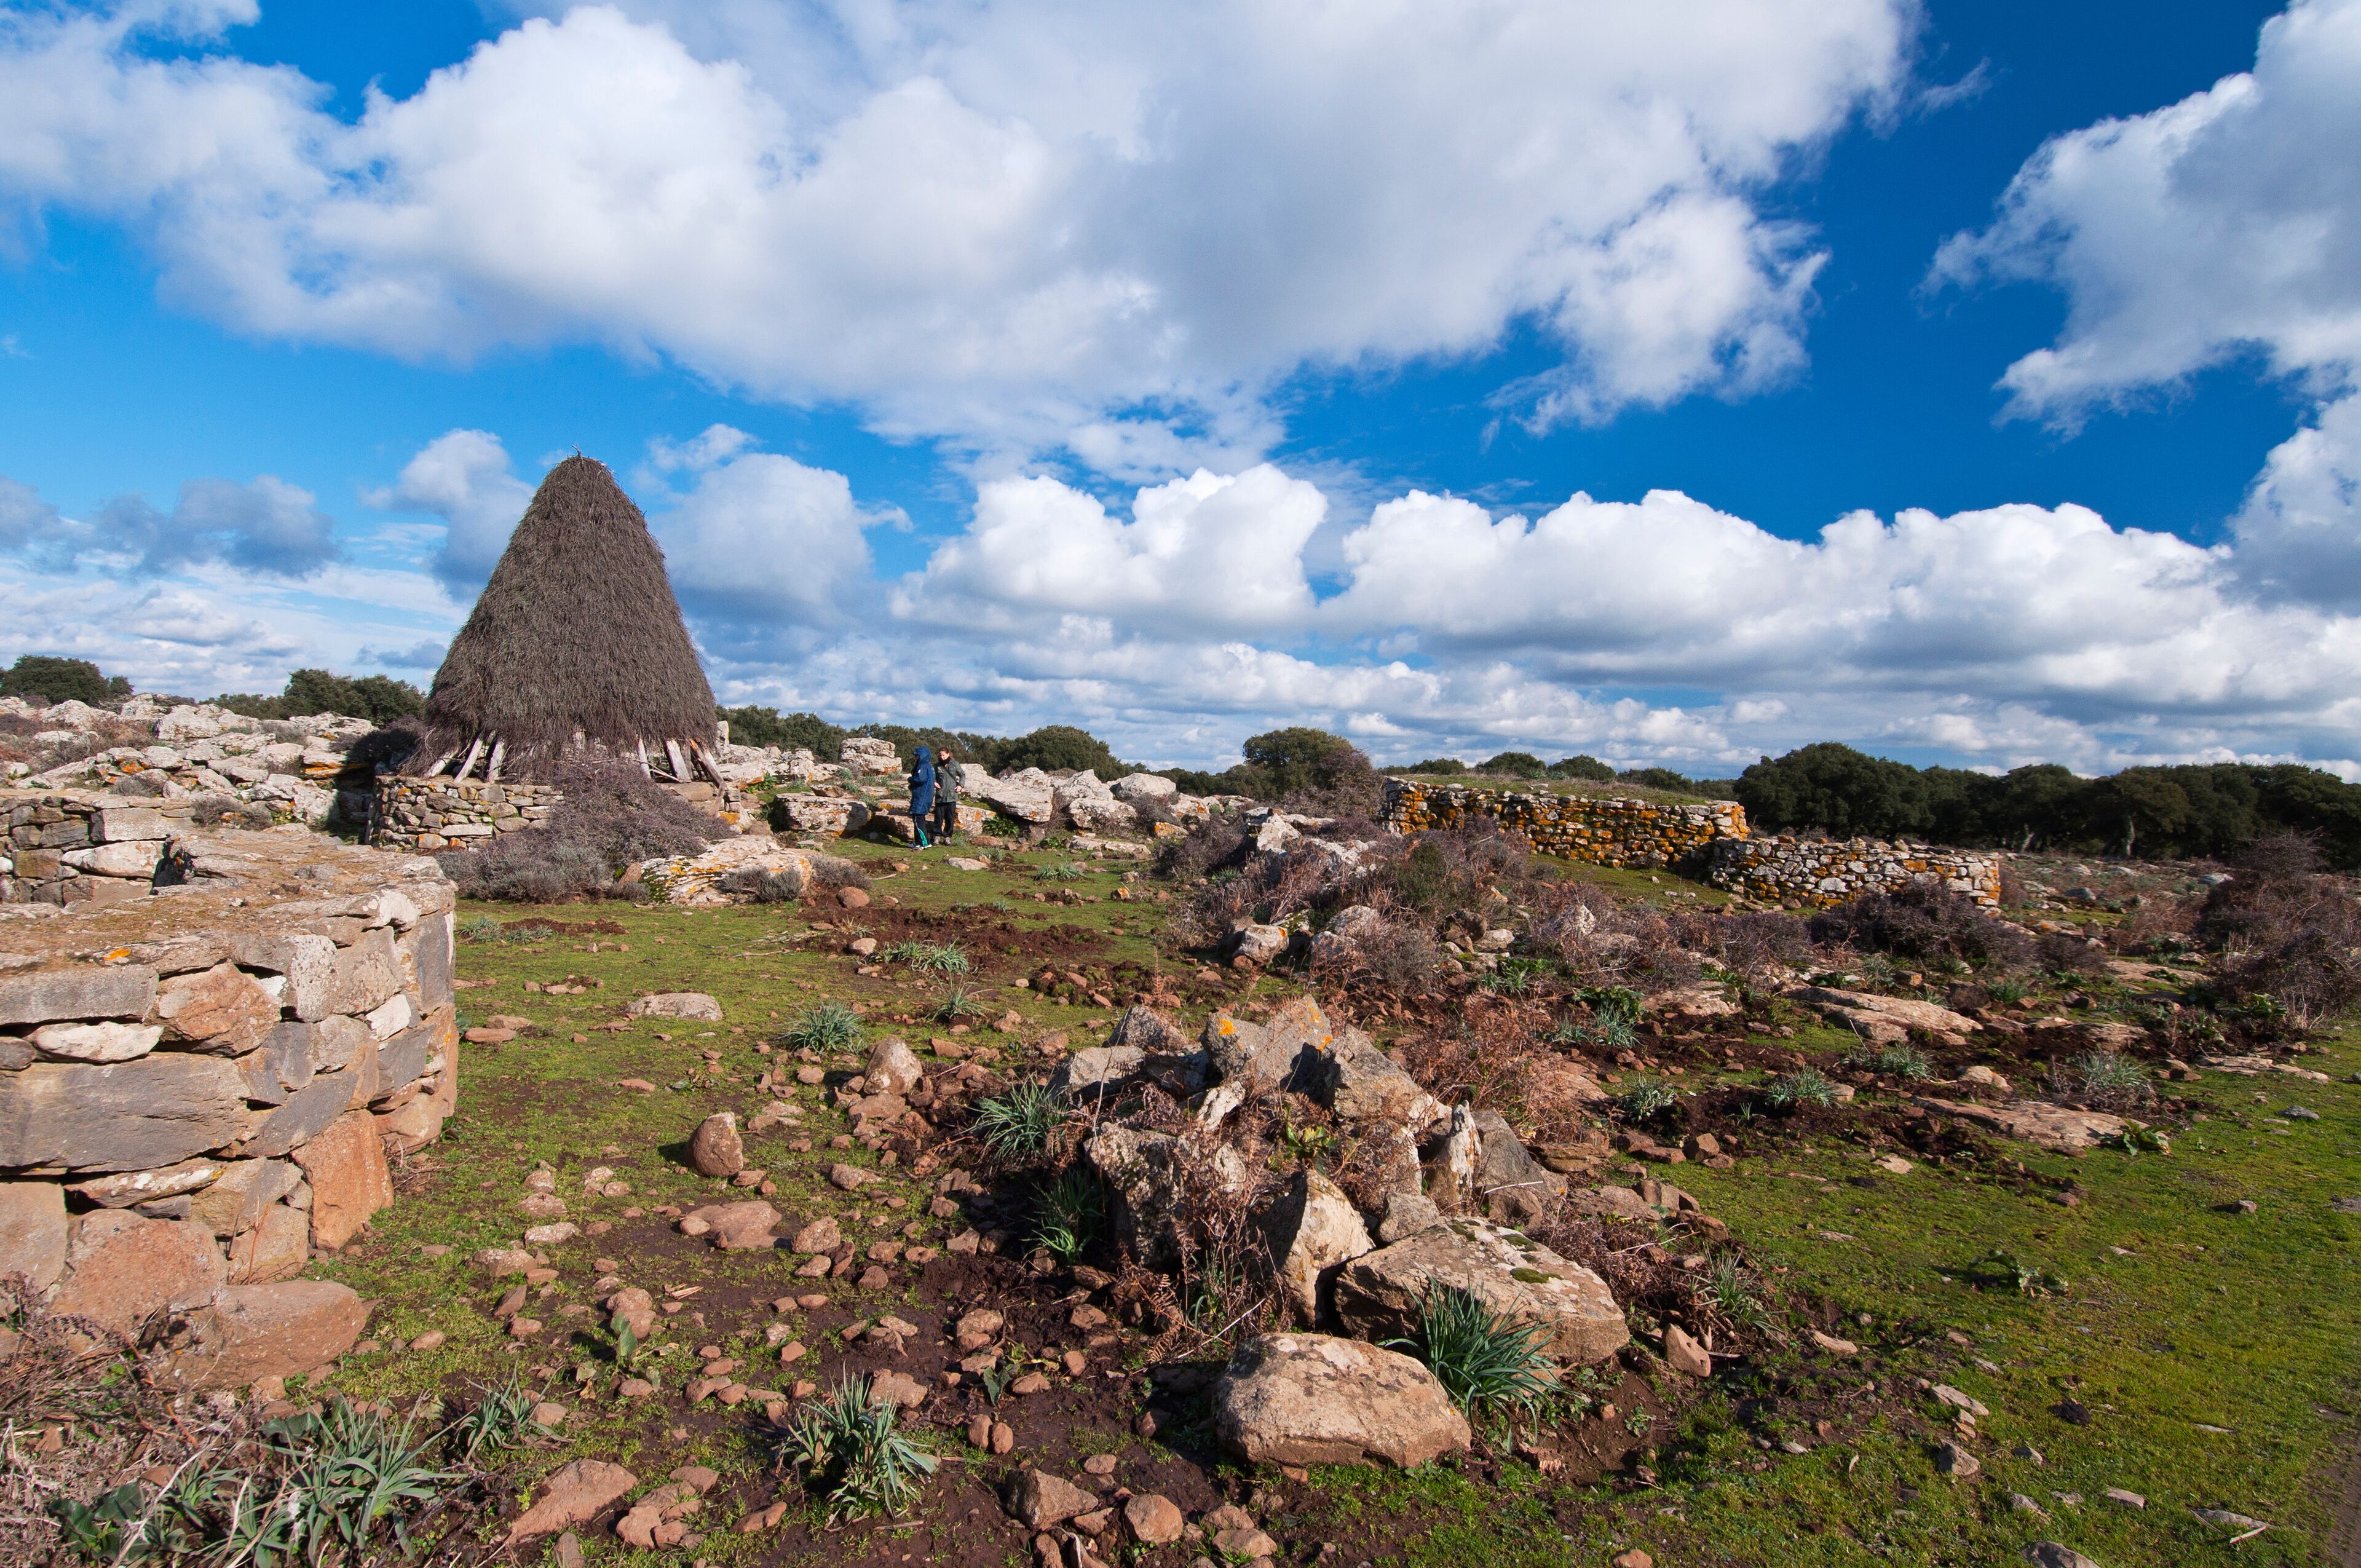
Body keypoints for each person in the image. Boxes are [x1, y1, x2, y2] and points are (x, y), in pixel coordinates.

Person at [908, 743, 936, 849]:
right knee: (917, 818)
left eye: (917, 755)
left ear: (922, 756)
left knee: (918, 818)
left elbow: (920, 779)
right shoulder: (928, 766)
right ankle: (918, 842)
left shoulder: (923, 766)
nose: (915, 758)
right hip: (922, 796)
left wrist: (911, 780)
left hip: (922, 797)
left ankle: (925, 843)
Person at [933, 746, 962, 844]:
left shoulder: (954, 764)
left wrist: (961, 785)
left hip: (952, 795)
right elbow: (933, 776)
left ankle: (947, 837)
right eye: (940, 755)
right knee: (938, 817)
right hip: (940, 795)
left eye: (944, 755)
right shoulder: (937, 766)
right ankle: (937, 836)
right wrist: (934, 782)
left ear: (948, 754)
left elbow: (963, 775)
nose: (942, 757)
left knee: (950, 817)